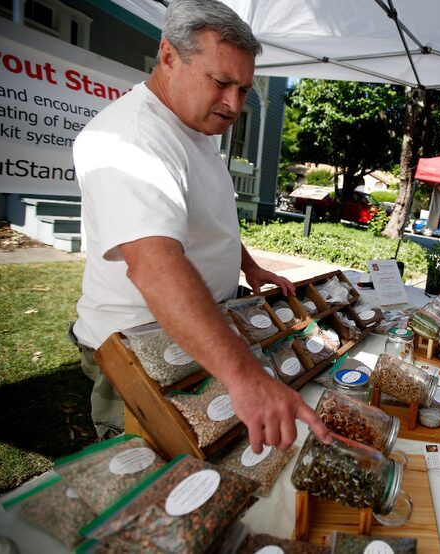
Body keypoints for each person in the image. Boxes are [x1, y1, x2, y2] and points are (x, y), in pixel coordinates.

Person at [70, 0, 330, 452]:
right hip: (139, 348)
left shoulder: (196, 125)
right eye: (222, 82)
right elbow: (153, 265)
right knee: (152, 473)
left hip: (197, 334)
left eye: (244, 89)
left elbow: (205, 219)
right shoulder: (131, 136)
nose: (233, 105)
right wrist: (244, 375)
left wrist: (248, 267)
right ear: (168, 56)